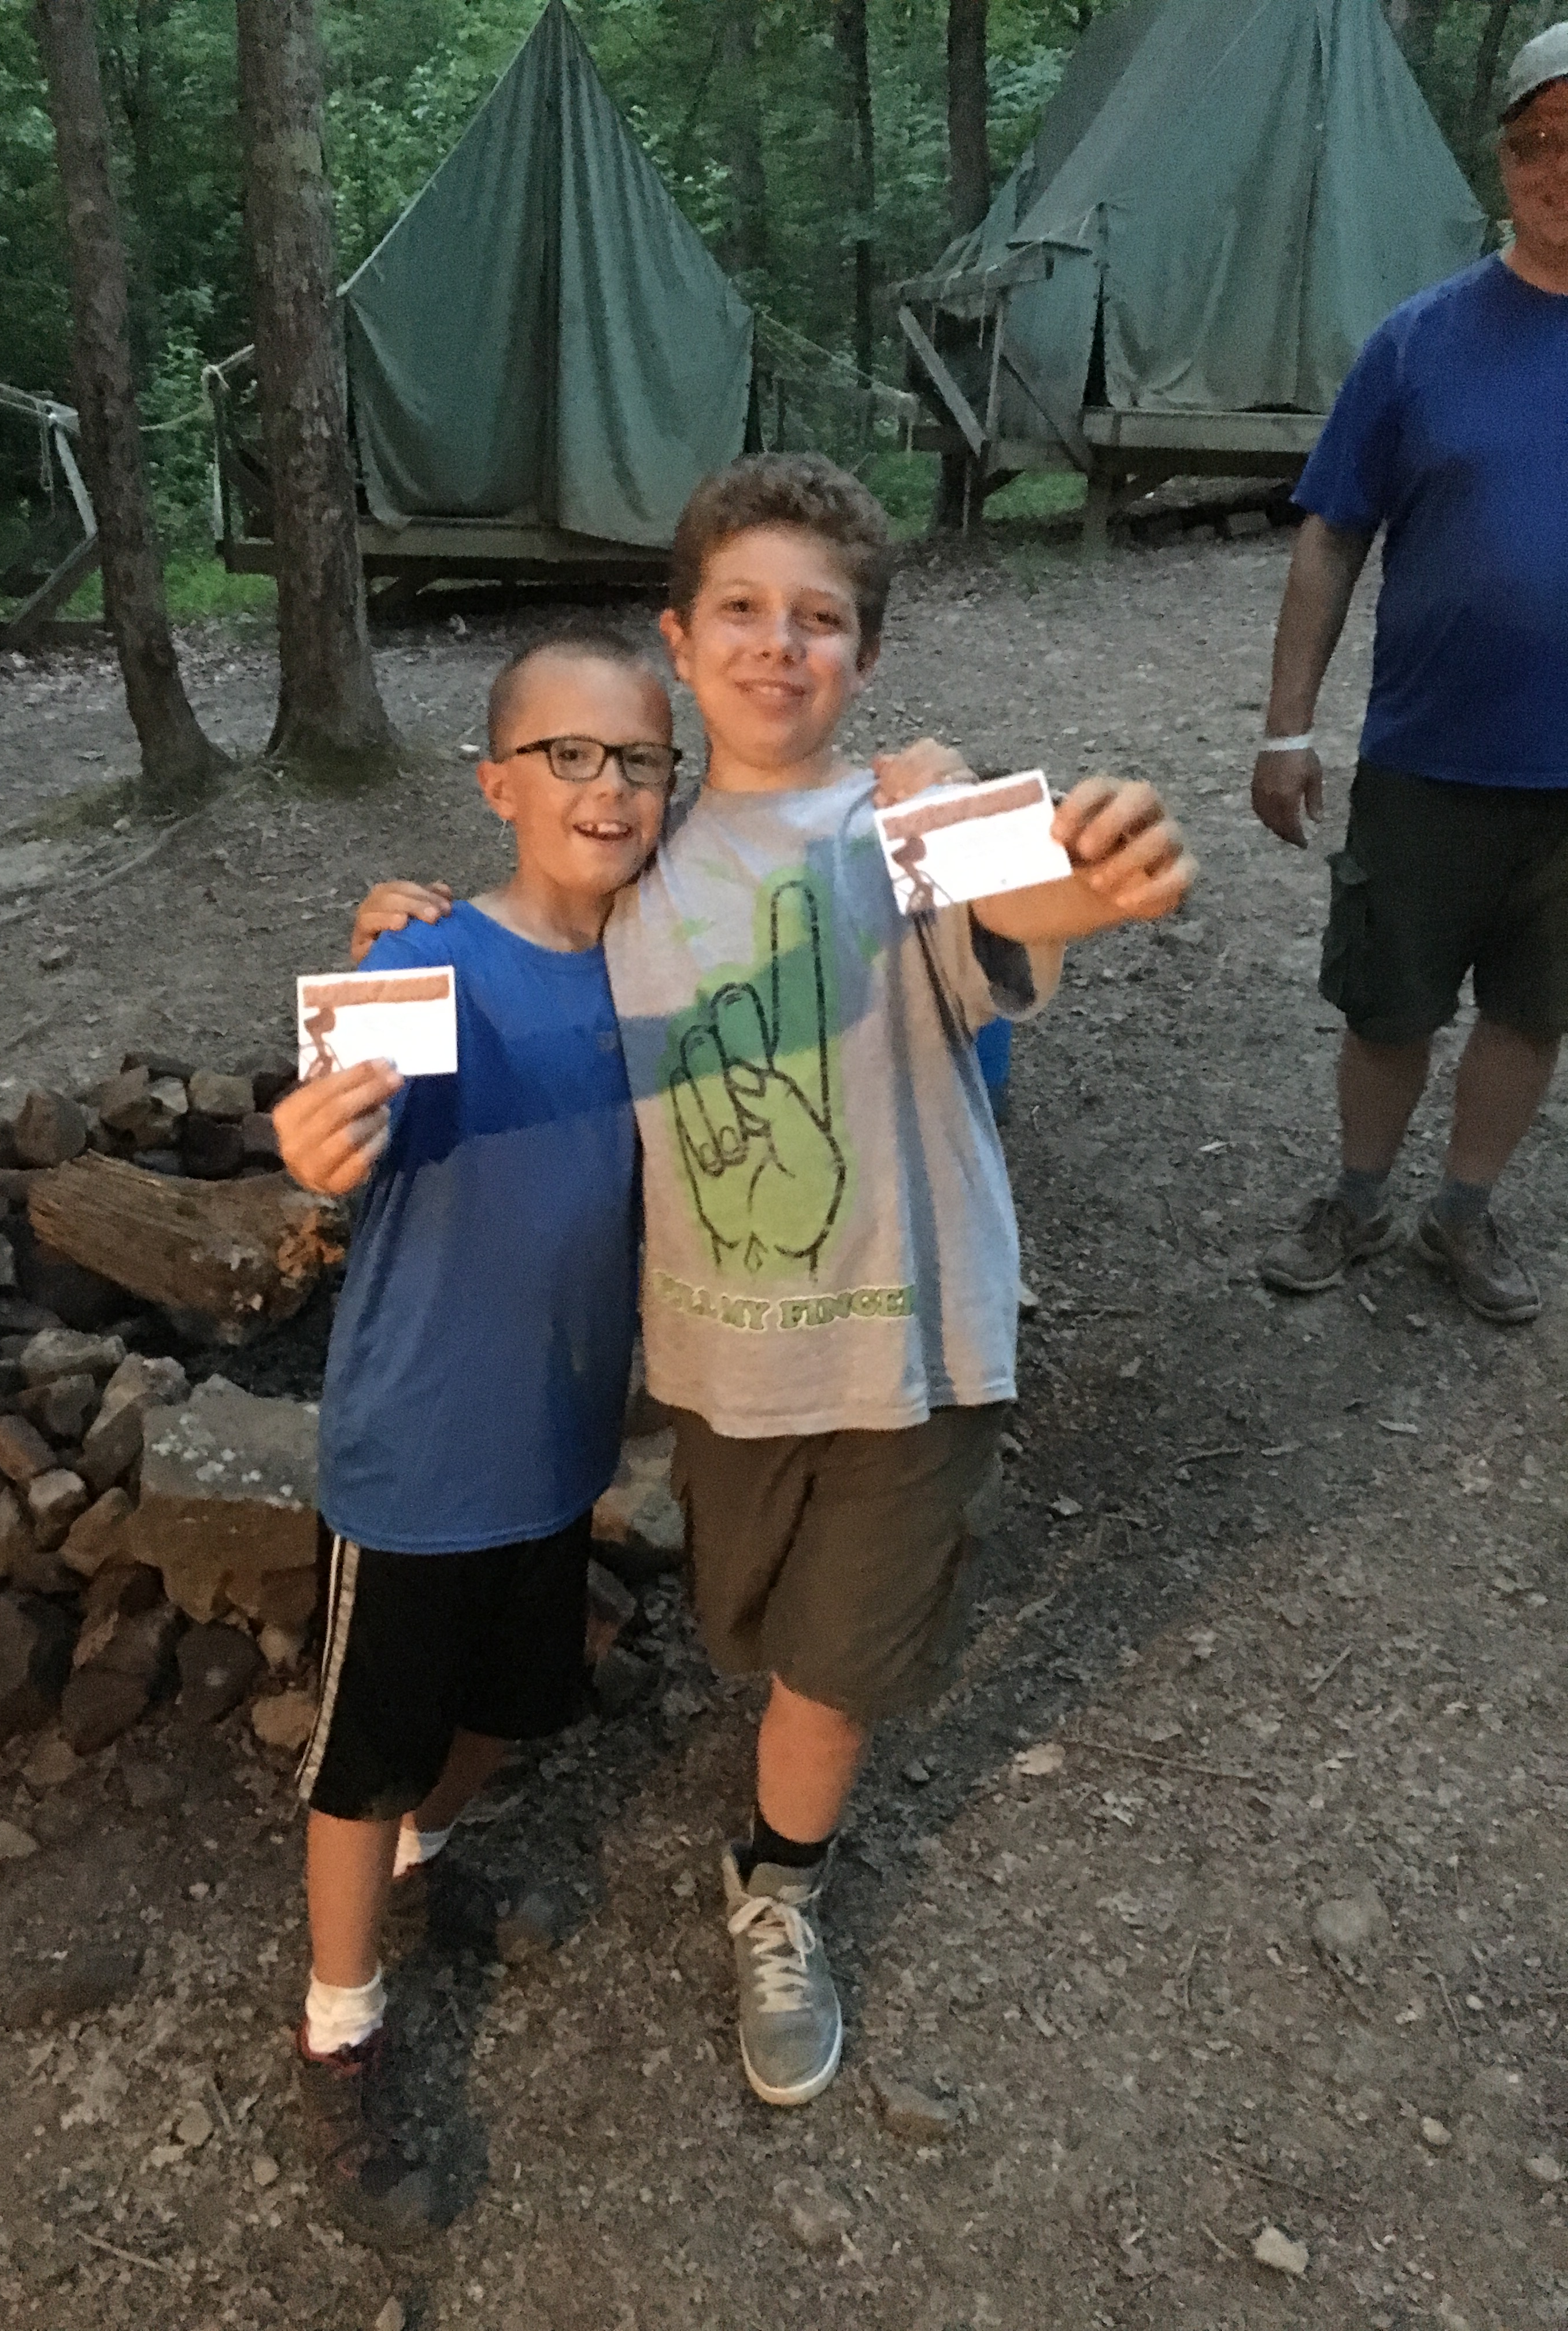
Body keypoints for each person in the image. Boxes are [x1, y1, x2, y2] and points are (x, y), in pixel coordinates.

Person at [354, 456, 1194, 2112]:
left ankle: (779, 1886)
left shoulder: (909, 819)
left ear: (864, 657)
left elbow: (1034, 883)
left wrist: (1104, 856)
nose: (779, 642)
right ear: (679, 639)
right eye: (741, 608)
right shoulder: (629, 867)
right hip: (724, 1367)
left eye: (820, 617)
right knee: (745, 1629)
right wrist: (402, 922)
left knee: (829, 1670)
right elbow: (514, 942)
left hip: (915, 1350)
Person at [270, 628, 678, 2247]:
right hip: (420, 1460)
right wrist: (319, 1142)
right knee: (364, 1757)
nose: (605, 786)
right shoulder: (428, 962)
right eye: (566, 755)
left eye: (637, 758)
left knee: (512, 1705)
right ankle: (339, 2027)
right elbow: (339, 1130)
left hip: (559, 1446)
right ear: (498, 783)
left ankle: (429, 1860)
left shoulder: (662, 967)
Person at [1252, 21, 1568, 1325]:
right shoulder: (1420, 341)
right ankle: (1359, 1196)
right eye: (1536, 140)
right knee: (1390, 1006)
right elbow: (1332, 534)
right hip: (1429, 756)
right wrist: (1286, 730)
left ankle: (1464, 1214)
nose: (1558, 167)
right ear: (1502, 161)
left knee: (1535, 1010)